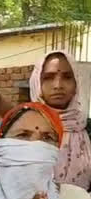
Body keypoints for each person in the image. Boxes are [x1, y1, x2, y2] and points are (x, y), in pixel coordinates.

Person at [29, 50, 91, 190]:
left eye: (67, 77)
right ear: (37, 83)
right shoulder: (23, 129)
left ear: (77, 84)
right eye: (49, 77)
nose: (58, 85)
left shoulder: (86, 128)